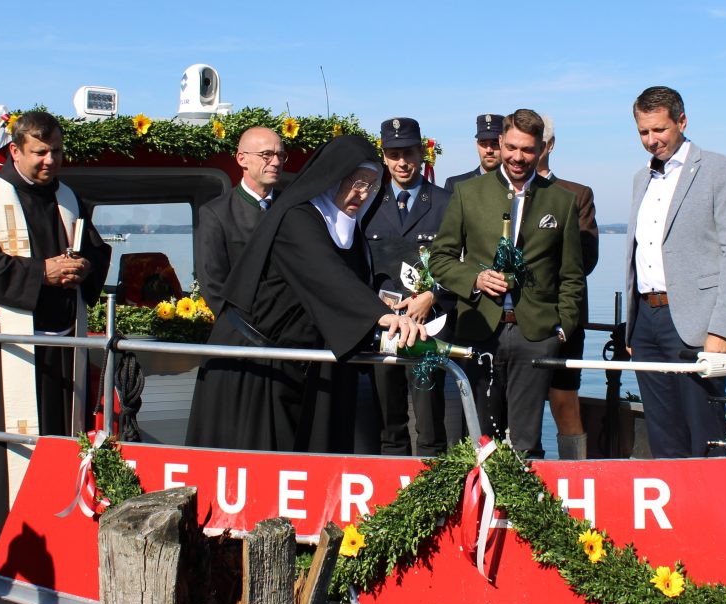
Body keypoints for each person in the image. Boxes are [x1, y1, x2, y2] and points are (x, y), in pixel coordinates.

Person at [186, 135, 427, 453]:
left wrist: (386, 305)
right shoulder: (296, 218)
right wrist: (378, 314)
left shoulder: (346, 228)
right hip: (252, 364)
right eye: (356, 183)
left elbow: (351, 283)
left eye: (371, 185)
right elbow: (327, 274)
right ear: (332, 177)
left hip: (294, 364)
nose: (363, 194)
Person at [0, 111, 111, 561]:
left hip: (60, 346)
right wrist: (42, 272)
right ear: (15, 150)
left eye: (56, 151)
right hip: (8, 348)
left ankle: (59, 526)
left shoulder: (70, 198)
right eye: (40, 152)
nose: (49, 161)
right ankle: (5, 538)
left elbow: (94, 250)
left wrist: (83, 267)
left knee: (60, 436)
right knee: (8, 448)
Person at [431, 109, 583, 457]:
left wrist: (561, 329)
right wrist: (475, 278)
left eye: (527, 150)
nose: (517, 157)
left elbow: (571, 275)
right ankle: (483, 509)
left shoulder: (561, 201)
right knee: (481, 442)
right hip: (479, 329)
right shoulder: (467, 193)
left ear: (542, 148)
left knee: (527, 445)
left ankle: (522, 512)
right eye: (511, 147)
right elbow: (440, 259)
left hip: (536, 338)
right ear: (500, 143)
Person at [625, 86, 726, 458]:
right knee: (662, 434)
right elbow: (638, 251)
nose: (651, 140)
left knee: (706, 437)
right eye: (643, 132)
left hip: (699, 327)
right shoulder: (640, 178)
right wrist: (634, 324)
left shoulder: (720, 168)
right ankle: (677, 511)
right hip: (646, 325)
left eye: (659, 130)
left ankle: (710, 512)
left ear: (682, 121)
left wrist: (721, 330)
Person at [362, 117, 453, 456]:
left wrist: (434, 295)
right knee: (390, 423)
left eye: (409, 153)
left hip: (428, 326)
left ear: (422, 153)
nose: (402, 163)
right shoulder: (367, 204)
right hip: (384, 326)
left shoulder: (445, 203)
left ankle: (434, 501)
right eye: (394, 154)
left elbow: (461, 259)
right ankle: (394, 498)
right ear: (384, 156)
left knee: (430, 424)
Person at [537, 115, 599, 459]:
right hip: (512, 320)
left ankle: (574, 477)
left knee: (564, 401)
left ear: (550, 145)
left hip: (563, 317)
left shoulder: (577, 194)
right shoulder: (500, 192)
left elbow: (586, 259)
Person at [194, 127, 285, 316]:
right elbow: (212, 284)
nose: (276, 162)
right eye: (266, 154)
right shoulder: (216, 213)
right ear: (242, 159)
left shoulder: (293, 208)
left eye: (280, 155)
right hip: (244, 333)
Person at [443, 114, 505, 191]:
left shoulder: (517, 184)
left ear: (504, 144)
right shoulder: (456, 185)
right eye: (483, 144)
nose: (489, 150)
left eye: (495, 144)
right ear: (477, 145)